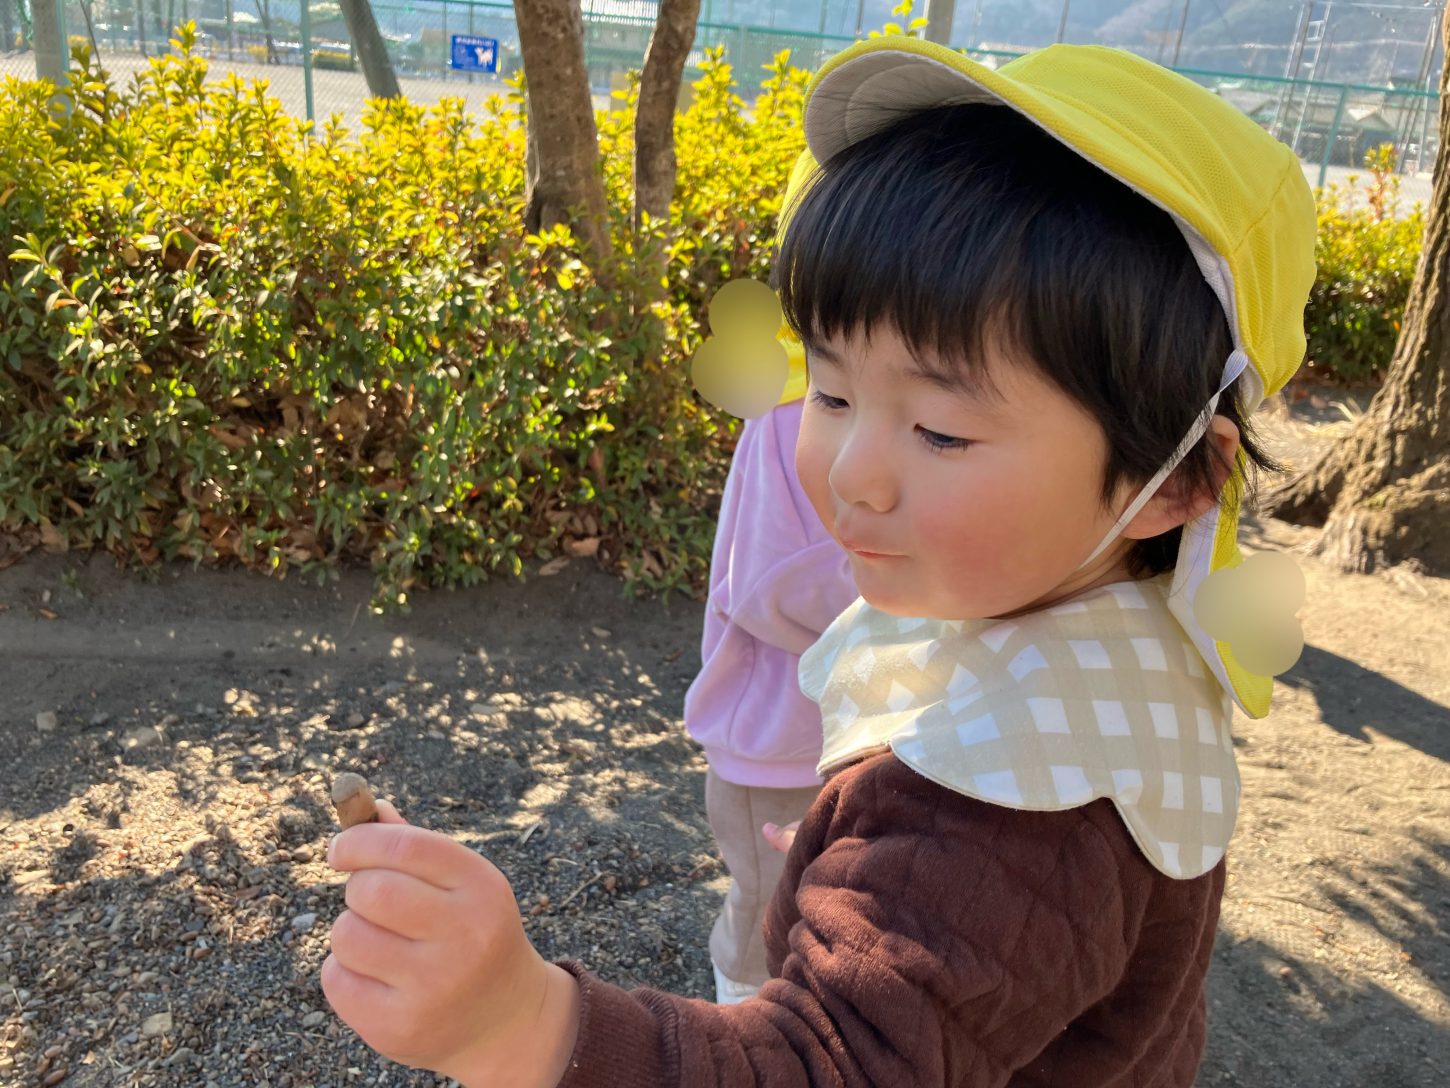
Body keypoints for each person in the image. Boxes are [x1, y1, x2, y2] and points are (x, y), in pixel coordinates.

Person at [321, 37, 1316, 1088]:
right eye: (831, 392)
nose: (850, 474)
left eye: (940, 430)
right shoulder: (1100, 638)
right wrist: (870, 854)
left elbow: (821, 1063)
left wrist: (521, 1021)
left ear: (1173, 479)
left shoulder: (1008, 816)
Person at [685, 150, 858, 1004]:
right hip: (776, 742)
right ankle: (738, 1024)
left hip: (843, 730)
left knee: (830, 897)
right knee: (765, 906)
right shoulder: (792, 408)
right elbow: (765, 585)